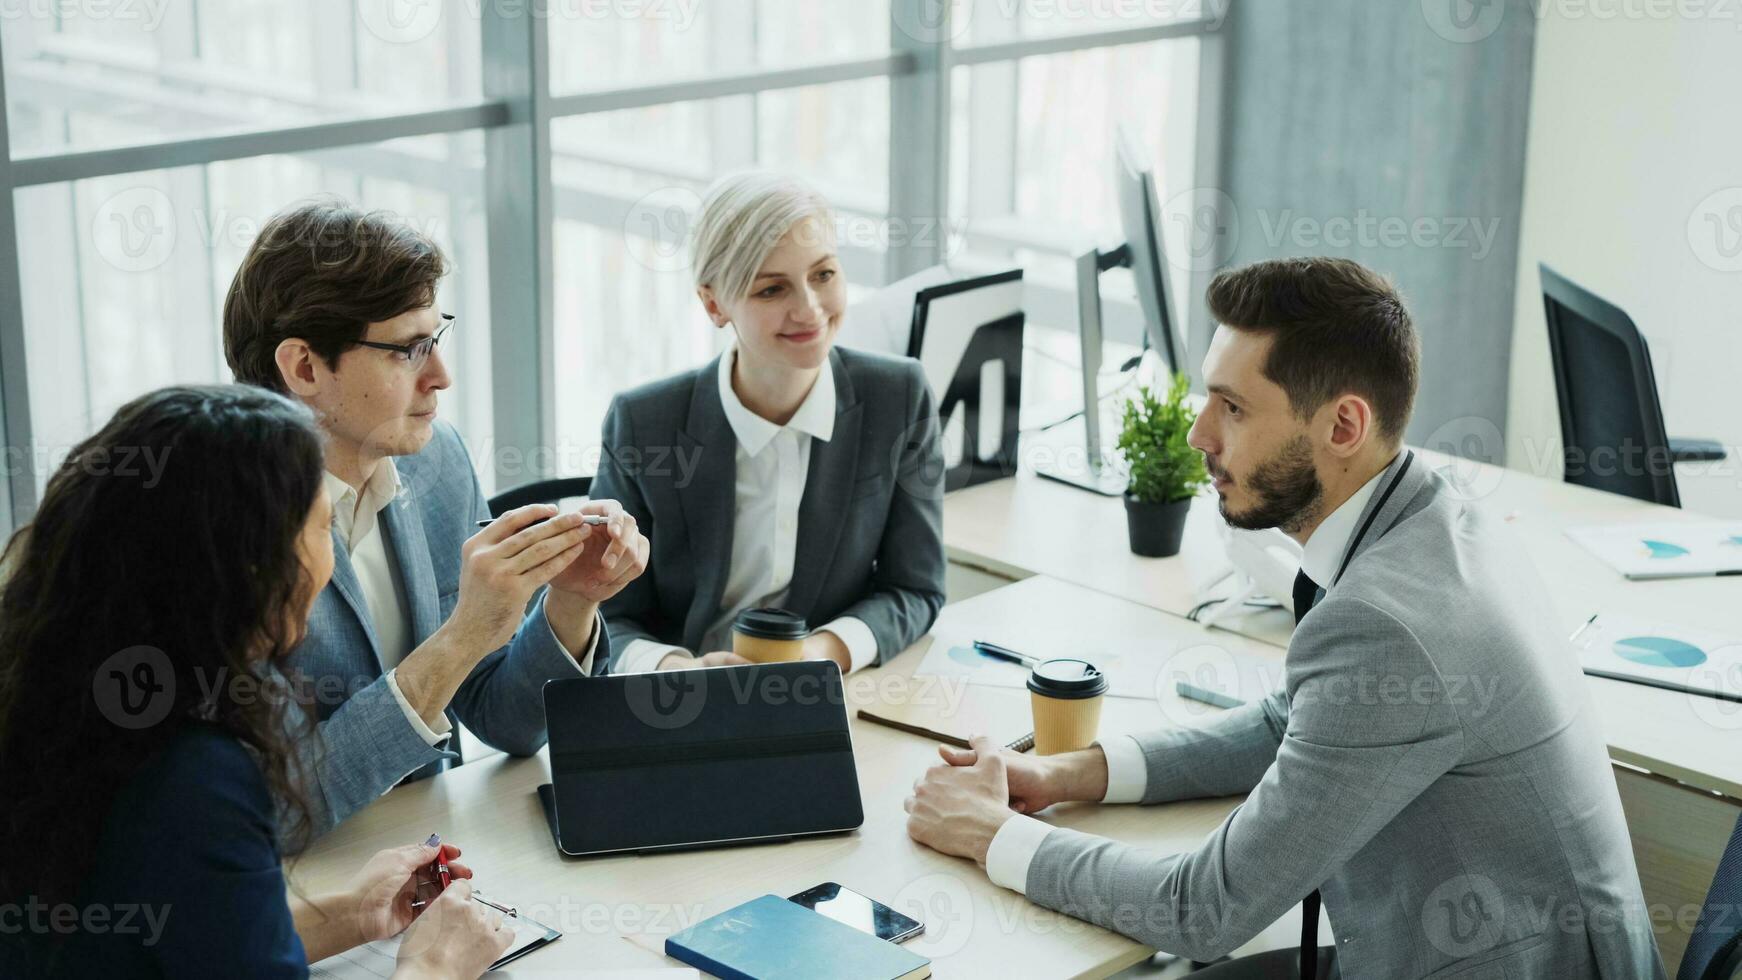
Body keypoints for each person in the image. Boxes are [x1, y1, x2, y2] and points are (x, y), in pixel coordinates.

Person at [904, 258, 1665, 978]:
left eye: (1233, 408)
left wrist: (992, 834)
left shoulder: (1391, 627)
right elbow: (1287, 723)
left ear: (1342, 427)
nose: (1200, 434)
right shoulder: (1427, 506)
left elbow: (1201, 909)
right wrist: (1064, 773)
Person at [0, 385, 510, 978]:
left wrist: (352, 914)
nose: (331, 562)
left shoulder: (74, 704)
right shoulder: (198, 777)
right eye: (323, 528)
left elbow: (185, 934)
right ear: (251, 564)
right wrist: (434, 967)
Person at [222, 199, 650, 837]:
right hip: (297, 889)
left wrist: (571, 603)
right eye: (408, 351)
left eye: (436, 339)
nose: (442, 377)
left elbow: (505, 721)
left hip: (434, 852)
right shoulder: (217, 524)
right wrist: (463, 635)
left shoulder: (434, 460)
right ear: (305, 367)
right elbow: (280, 808)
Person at [590, 172, 946, 675]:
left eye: (823, 274)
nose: (809, 309)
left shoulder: (899, 396)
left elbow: (916, 587)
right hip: (677, 703)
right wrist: (676, 670)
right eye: (772, 289)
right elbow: (605, 610)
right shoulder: (644, 422)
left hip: (826, 693)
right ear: (714, 304)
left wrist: (822, 655)